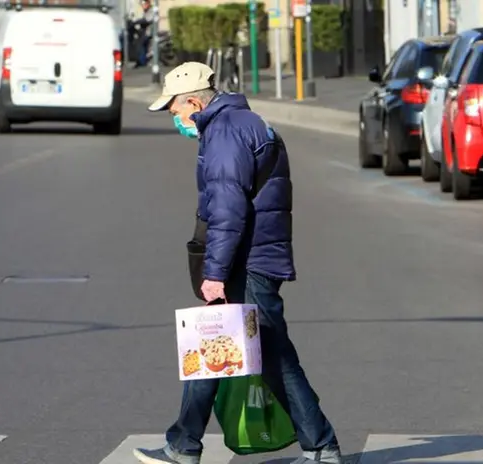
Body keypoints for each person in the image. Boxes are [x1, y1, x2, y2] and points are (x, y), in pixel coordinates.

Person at [133, 61, 341, 464]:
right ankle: (183, 444)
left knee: (271, 358)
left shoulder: (226, 132)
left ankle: (321, 447)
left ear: (194, 100)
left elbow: (228, 211)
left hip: (248, 261)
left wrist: (214, 274)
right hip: (254, 256)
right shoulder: (241, 123)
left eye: (175, 109)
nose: (175, 118)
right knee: (216, 348)